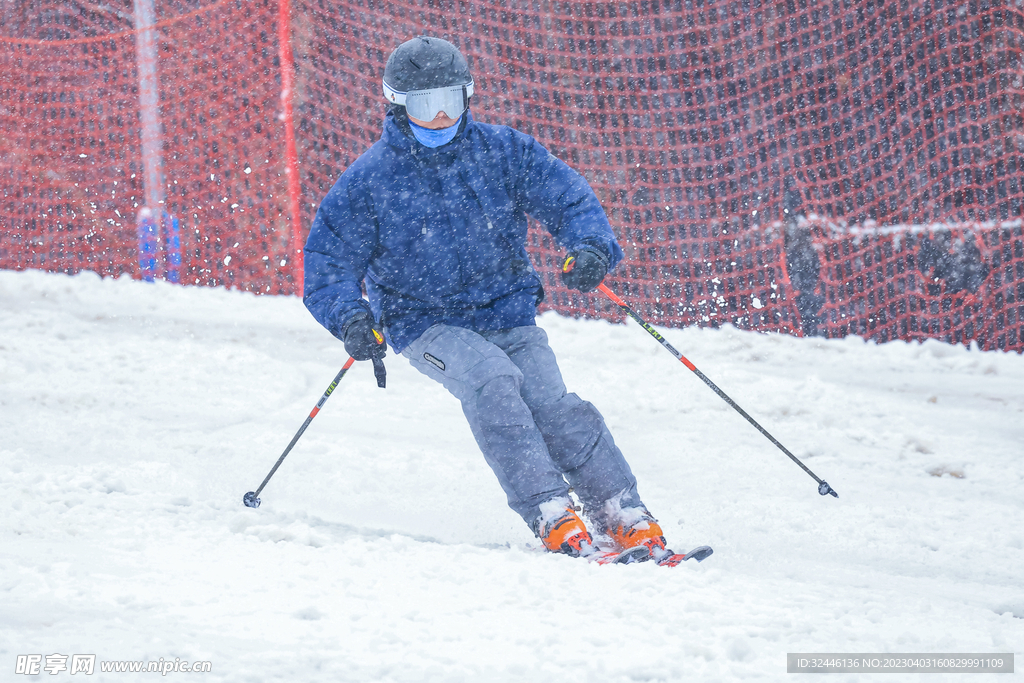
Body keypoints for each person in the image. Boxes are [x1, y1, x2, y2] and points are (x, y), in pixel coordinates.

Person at [303, 36, 682, 564]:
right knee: (491, 381)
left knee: (555, 407)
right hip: (424, 324)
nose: (438, 118)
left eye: (449, 102)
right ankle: (550, 511)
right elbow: (328, 262)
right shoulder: (371, 181)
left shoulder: (504, 152)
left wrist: (588, 246)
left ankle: (623, 513)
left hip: (507, 311)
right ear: (396, 105)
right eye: (421, 105)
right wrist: (349, 316)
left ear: (468, 97)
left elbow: (568, 197)